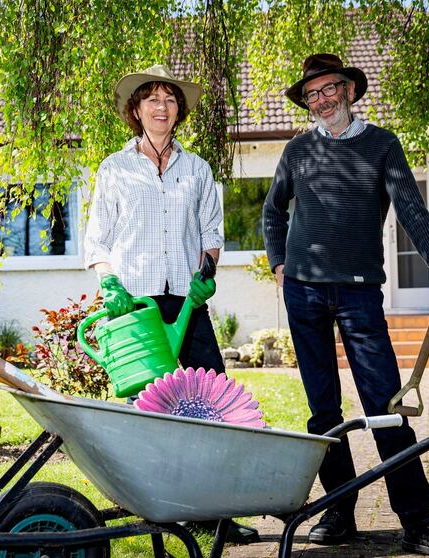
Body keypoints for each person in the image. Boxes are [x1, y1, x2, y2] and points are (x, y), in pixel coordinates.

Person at [263, 53, 429, 558]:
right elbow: (272, 213)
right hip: (305, 294)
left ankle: (418, 520)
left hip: (359, 293)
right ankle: (339, 509)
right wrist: (279, 265)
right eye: (311, 94)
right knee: (322, 412)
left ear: (350, 90)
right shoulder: (297, 150)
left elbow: (412, 211)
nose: (321, 100)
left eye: (329, 89)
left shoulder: (382, 145)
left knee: (386, 408)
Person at [84, 64, 259, 545]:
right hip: (135, 307)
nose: (162, 107)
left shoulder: (198, 169)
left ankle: (217, 515)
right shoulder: (114, 170)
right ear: (135, 110)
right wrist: (109, 285)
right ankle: (152, 507)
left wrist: (206, 274)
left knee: (213, 406)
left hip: (187, 305)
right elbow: (97, 240)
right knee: (146, 409)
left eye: (170, 99)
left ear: (179, 111)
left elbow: (211, 235)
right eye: (152, 99)